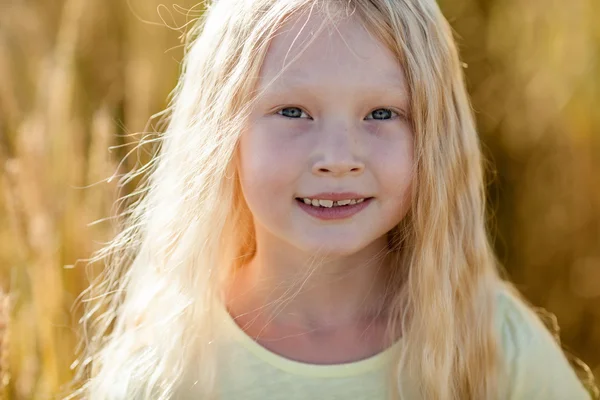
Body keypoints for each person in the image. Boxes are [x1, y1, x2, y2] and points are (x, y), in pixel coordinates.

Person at [68, 0, 595, 399]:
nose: (338, 157)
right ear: (221, 130)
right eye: (293, 111)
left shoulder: (488, 344)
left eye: (382, 114)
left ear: (433, 136)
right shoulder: (167, 370)